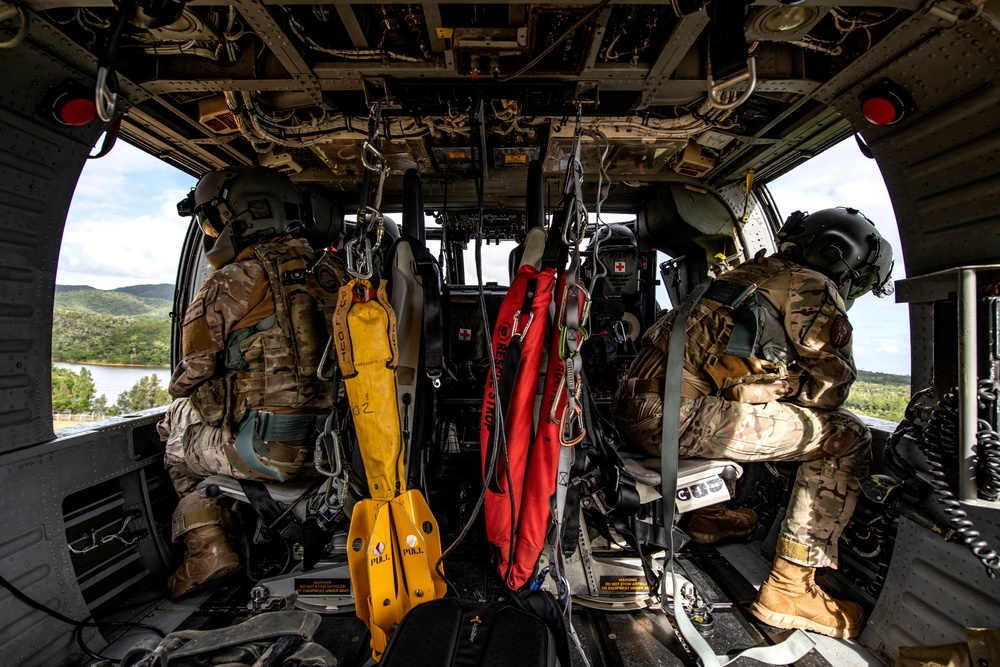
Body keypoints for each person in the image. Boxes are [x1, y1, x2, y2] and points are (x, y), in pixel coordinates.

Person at [611, 207, 894, 639]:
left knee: (739, 400)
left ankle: (710, 516)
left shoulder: (740, 275)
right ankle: (790, 587)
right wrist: (794, 389)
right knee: (845, 435)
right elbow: (831, 390)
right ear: (839, 256)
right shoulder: (810, 285)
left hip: (635, 410)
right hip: (671, 419)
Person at [157, 166, 346, 598]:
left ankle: (208, 547)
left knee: (172, 426)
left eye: (211, 219)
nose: (211, 230)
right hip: (334, 451)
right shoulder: (335, 276)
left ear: (240, 218)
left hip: (262, 453)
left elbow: (192, 374)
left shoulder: (227, 283)